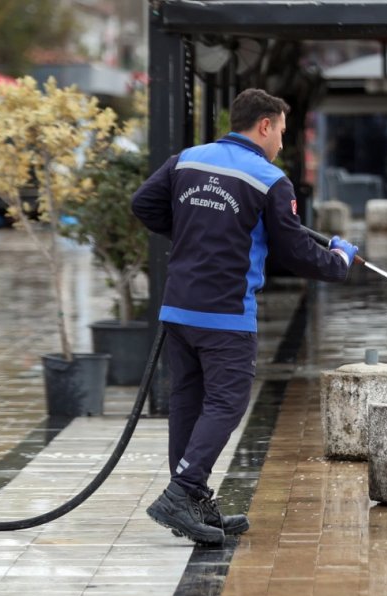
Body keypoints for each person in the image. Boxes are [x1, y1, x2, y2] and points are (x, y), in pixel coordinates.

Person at [131, 88, 358, 546]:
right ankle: (183, 491)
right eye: (281, 133)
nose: (280, 144)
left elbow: (143, 204)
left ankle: (191, 499)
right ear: (265, 125)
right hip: (226, 314)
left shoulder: (186, 160)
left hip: (180, 308)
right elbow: (295, 252)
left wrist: (197, 231)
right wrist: (340, 260)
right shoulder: (269, 179)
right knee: (227, 403)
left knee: (188, 403)